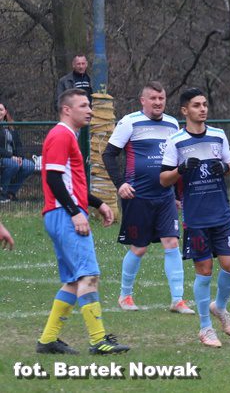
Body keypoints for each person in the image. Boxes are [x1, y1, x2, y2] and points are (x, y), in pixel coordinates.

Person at [36, 88, 130, 355]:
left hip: (60, 214)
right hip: (65, 214)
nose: (90, 110)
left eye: (90, 105)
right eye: (83, 105)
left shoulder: (68, 136)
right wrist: (75, 212)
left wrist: (97, 203)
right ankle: (99, 341)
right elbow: (53, 179)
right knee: (89, 276)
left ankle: (47, 341)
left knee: (74, 281)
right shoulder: (61, 135)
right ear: (67, 110)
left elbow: (68, 181)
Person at [101, 81, 193, 314]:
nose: (158, 102)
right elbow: (109, 155)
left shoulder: (173, 124)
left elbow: (175, 162)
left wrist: (176, 194)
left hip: (164, 197)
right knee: (139, 247)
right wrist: (120, 184)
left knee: (172, 242)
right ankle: (125, 296)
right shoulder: (129, 122)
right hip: (137, 196)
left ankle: (178, 300)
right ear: (143, 101)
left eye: (161, 98)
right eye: (153, 98)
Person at [160, 88, 230, 348]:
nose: (202, 109)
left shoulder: (218, 135)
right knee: (204, 271)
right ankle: (205, 327)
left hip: (222, 214)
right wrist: (180, 169)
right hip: (195, 218)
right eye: (196, 105)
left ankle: (220, 307)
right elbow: (164, 179)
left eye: (204, 104)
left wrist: (225, 167)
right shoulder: (176, 141)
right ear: (185, 110)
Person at [0, 103, 36, 202]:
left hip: (13, 158)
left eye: (1, 110)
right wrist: (11, 156)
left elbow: (18, 145)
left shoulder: (11, 127)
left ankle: (10, 193)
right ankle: (2, 192)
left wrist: (20, 156)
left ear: (5, 112)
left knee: (29, 165)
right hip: (3, 158)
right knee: (13, 165)